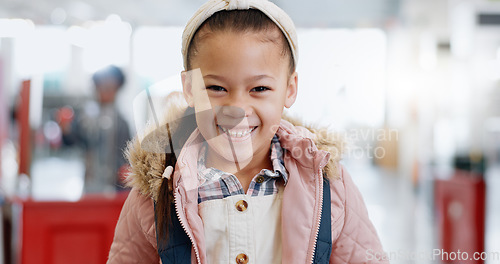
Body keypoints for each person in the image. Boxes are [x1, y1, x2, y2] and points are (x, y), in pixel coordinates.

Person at [108, 0, 388, 263]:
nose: (237, 109)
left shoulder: (330, 185)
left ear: (290, 90)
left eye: (260, 89)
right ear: (190, 89)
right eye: (216, 88)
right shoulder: (157, 191)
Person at [60, 65, 131, 192]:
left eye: (110, 87)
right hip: (91, 184)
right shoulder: (86, 117)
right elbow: (73, 141)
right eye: (102, 86)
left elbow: (127, 155)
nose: (106, 91)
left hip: (115, 187)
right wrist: (65, 129)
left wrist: (124, 171)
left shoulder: (122, 122)